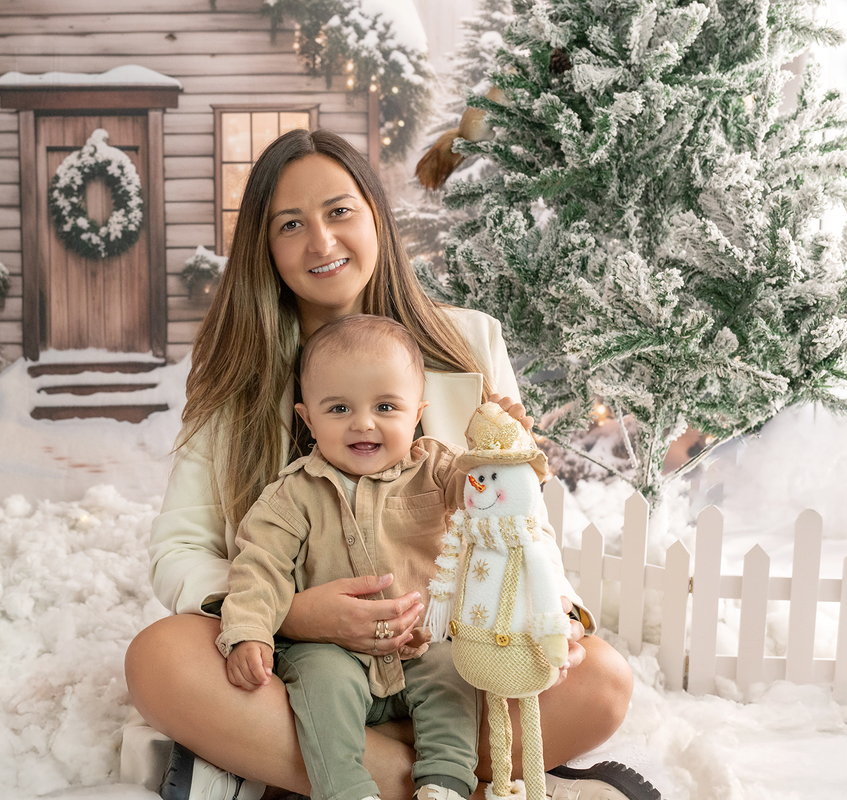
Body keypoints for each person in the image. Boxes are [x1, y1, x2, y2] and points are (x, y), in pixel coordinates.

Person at [124, 128, 639, 800]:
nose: (321, 242)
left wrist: (556, 615)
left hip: (441, 651)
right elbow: (182, 547)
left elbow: (520, 524)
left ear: (374, 216)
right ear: (265, 246)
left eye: (340, 212)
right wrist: (292, 614)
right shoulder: (236, 371)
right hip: (295, 656)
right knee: (160, 659)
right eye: (290, 224)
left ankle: (284, 768)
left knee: (601, 681)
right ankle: (453, 783)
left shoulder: (470, 342)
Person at [220, 314, 488, 800]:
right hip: (334, 651)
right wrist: (249, 632)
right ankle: (346, 789)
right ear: (307, 419)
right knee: (321, 685)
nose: (363, 423)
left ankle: (445, 783)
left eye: (386, 406)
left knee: (456, 675)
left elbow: (482, 487)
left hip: (422, 643)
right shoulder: (293, 495)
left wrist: (502, 452)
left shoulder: (434, 468)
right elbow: (260, 568)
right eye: (339, 408)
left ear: (417, 413)